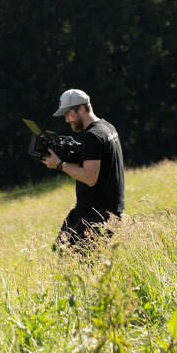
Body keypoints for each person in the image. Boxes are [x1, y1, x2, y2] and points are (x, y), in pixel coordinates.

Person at [42, 89, 125, 250]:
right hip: (98, 210)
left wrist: (59, 164)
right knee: (60, 249)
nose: (66, 119)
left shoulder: (93, 136)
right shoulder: (107, 127)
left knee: (79, 266)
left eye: (68, 114)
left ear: (81, 109)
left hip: (97, 216)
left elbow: (89, 177)